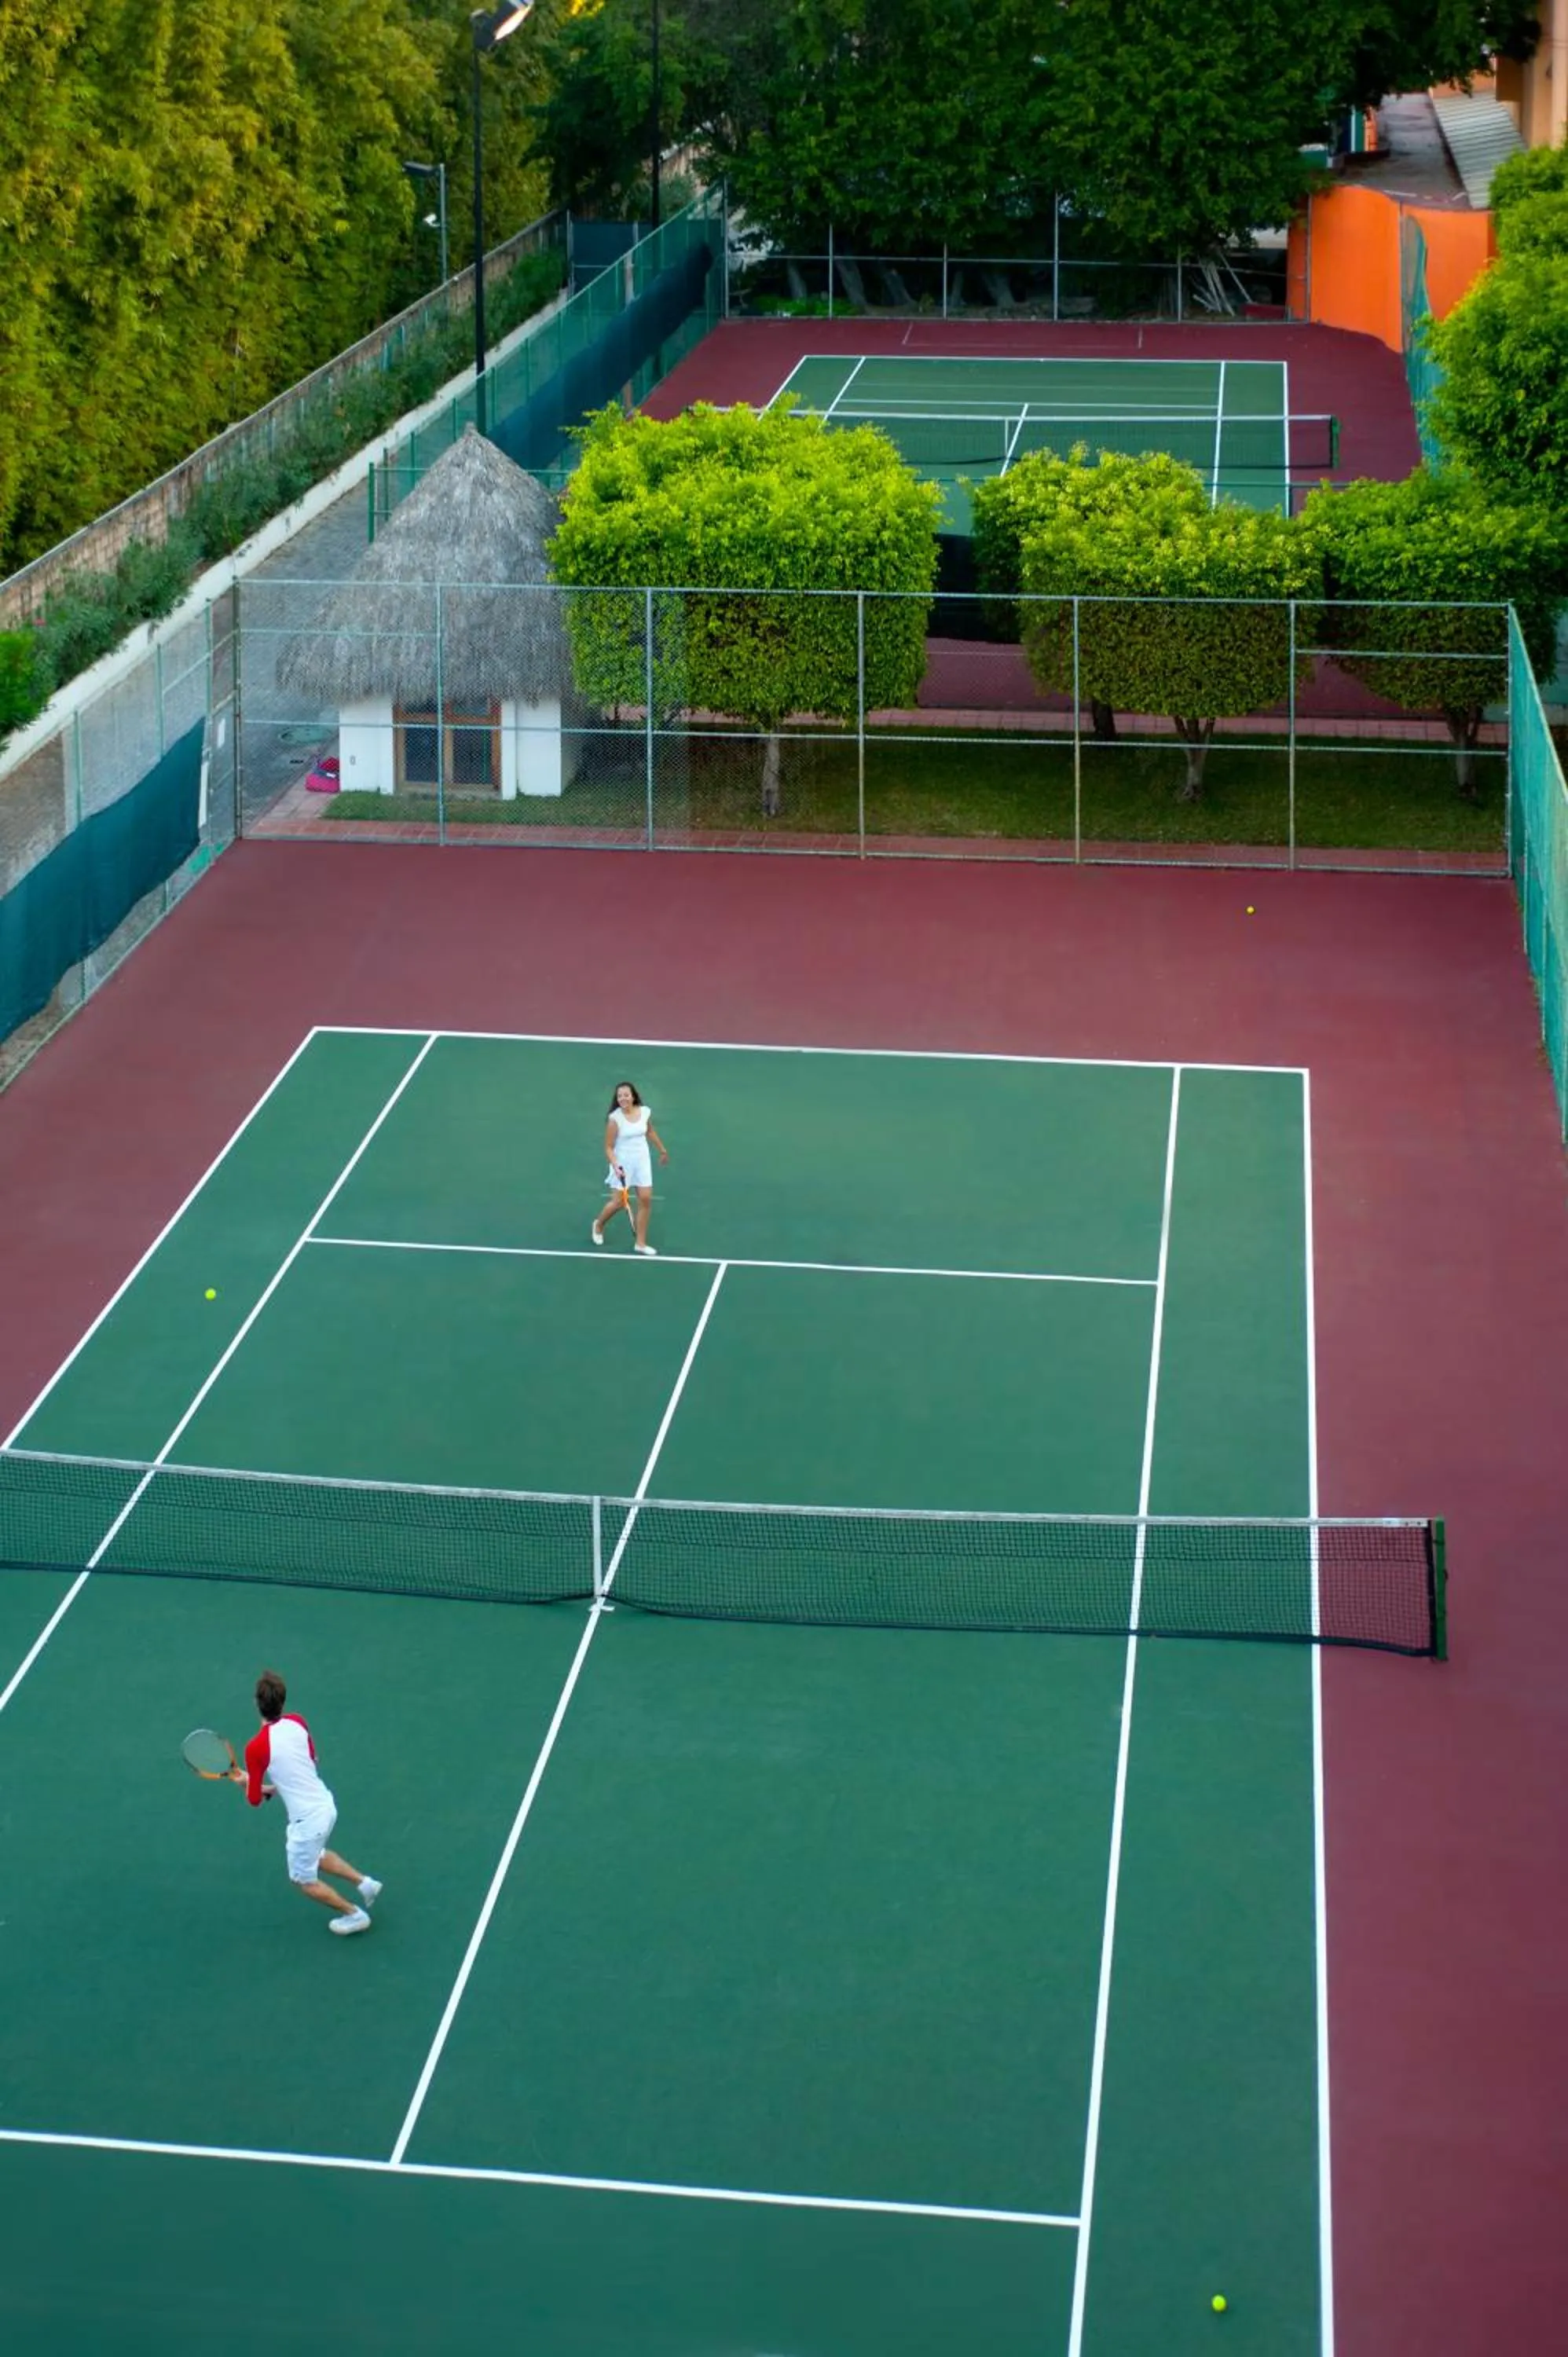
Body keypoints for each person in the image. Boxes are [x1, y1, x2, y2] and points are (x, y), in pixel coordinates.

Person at [233, 1669, 381, 1937]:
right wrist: (267, 1787)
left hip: (307, 1822)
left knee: (303, 1880)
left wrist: (246, 1782)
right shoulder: (297, 1722)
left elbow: (255, 1800)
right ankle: (366, 1883)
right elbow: (308, 1765)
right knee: (317, 1855)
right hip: (326, 1805)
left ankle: (355, 1915)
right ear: (282, 1701)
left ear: (257, 1703)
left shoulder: (256, 1748)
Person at [590, 1080, 669, 1256]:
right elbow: (608, 1147)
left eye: (626, 1095)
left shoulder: (645, 1112)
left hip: (642, 1161)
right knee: (618, 1202)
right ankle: (599, 1224)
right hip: (622, 1163)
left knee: (646, 1199)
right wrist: (616, 1165)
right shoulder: (614, 1119)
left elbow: (649, 1132)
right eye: (620, 1096)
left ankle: (640, 1243)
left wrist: (662, 1150)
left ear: (633, 1097)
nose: (623, 1099)